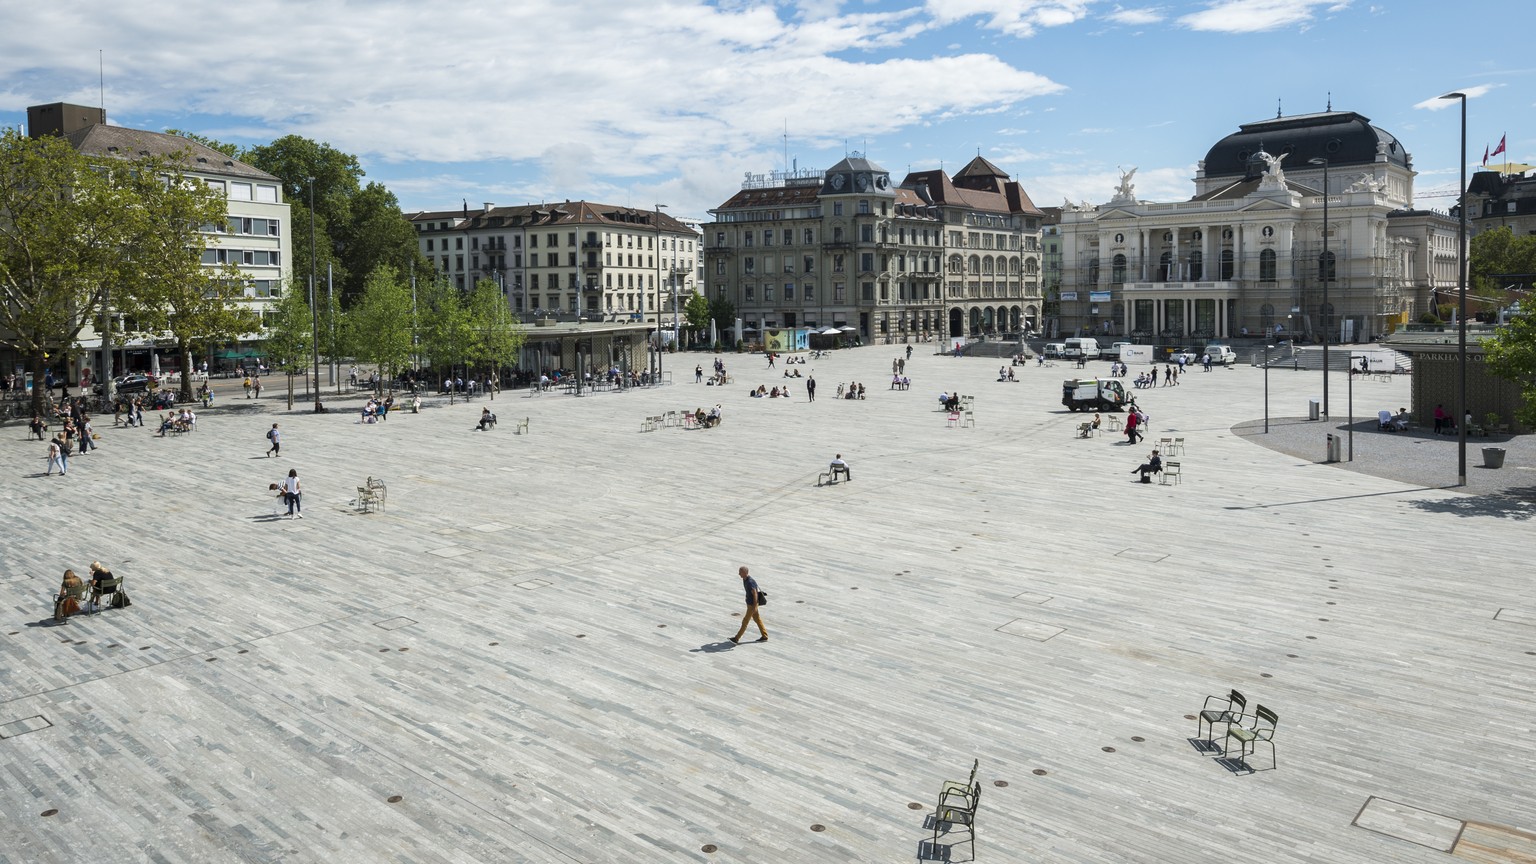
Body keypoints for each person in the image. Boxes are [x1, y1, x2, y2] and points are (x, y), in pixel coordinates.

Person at [728, 565, 768, 644]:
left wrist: (754, 606)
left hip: (752, 605)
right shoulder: (745, 579)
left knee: (745, 621)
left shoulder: (750, 582)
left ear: (745, 572)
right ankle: (764, 636)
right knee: (757, 619)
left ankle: (736, 638)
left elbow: (755, 594)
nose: (739, 574)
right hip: (751, 604)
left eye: (740, 572)